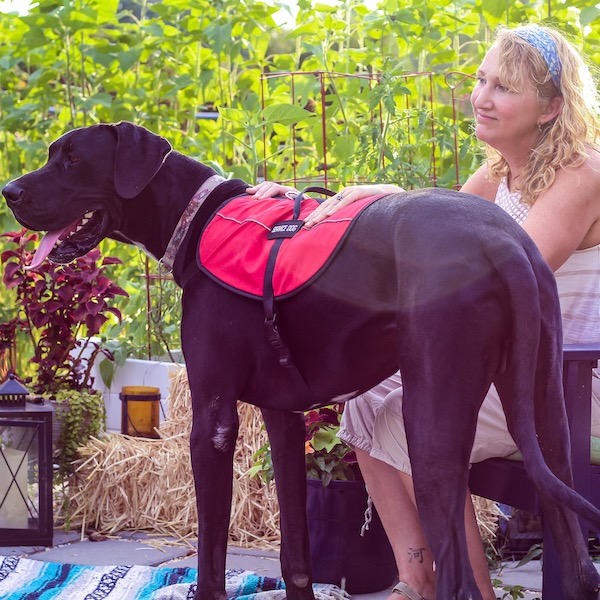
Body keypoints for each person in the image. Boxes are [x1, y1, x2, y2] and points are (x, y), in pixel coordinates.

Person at [247, 24, 600, 600]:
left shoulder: (582, 173)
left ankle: (470, 594)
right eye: (481, 79)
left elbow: (506, 271)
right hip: (520, 374)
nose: (482, 97)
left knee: (420, 417)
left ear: (551, 107)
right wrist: (349, 207)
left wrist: (386, 208)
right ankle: (424, 579)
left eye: (504, 87)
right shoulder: (497, 173)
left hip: (575, 384)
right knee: (363, 397)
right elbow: (441, 234)